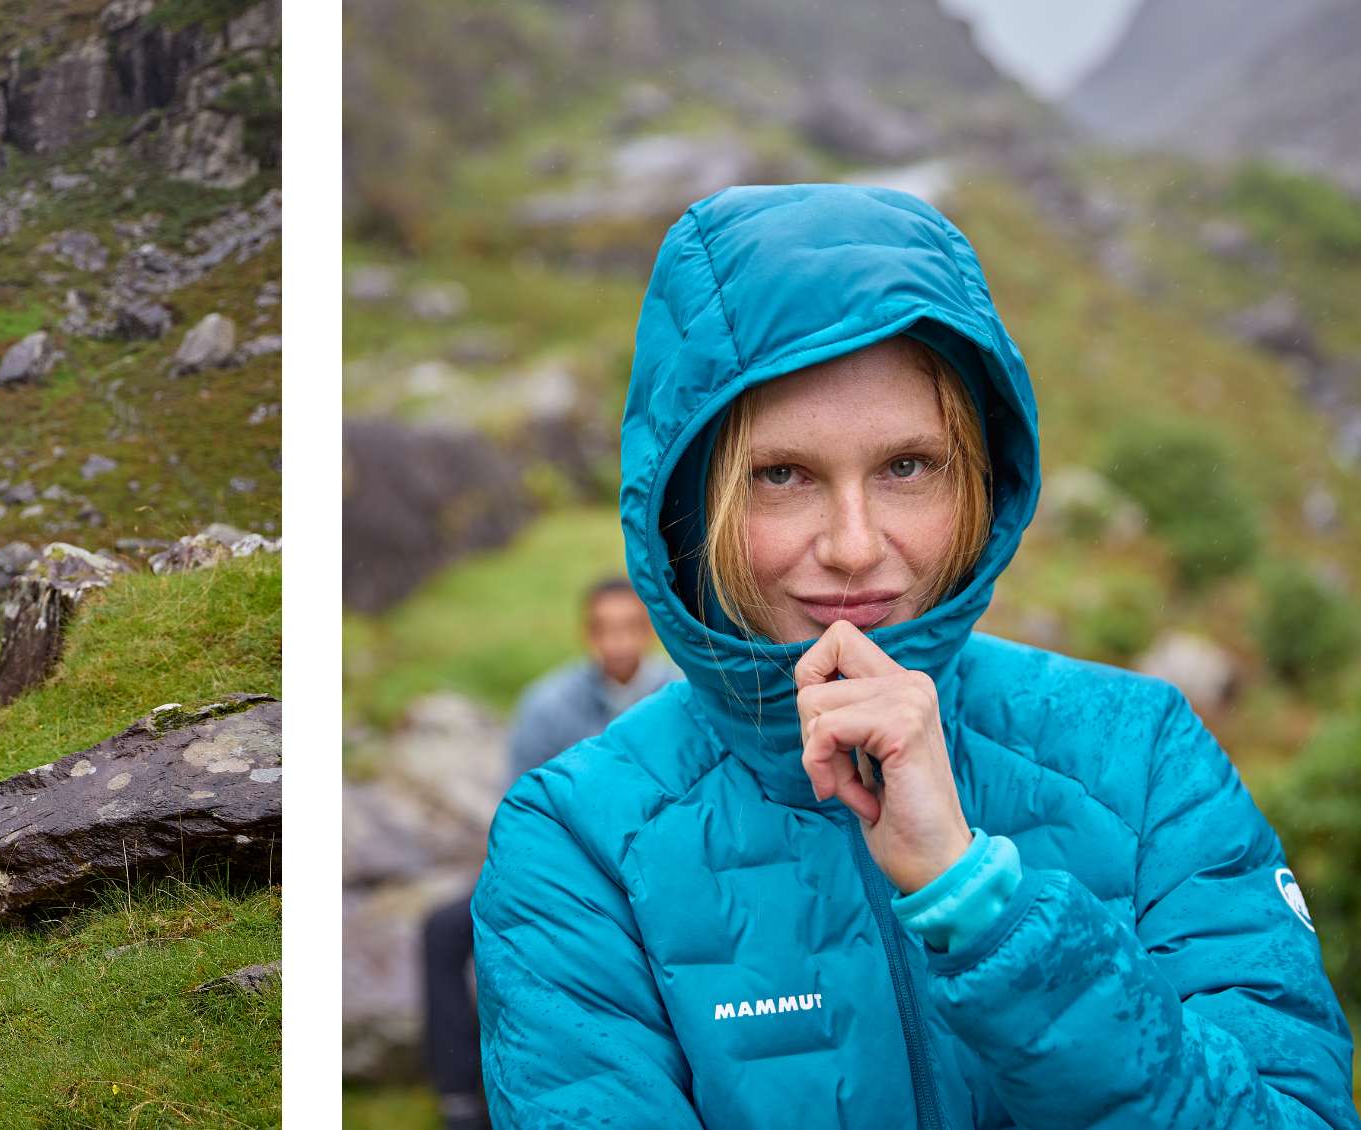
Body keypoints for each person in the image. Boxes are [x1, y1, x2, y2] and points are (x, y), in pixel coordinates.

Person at [473, 183, 1356, 1128]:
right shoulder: (576, 843)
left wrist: (978, 904)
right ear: (693, 504)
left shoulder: (1140, 757)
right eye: (782, 475)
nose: (854, 545)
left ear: (977, 477)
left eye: (906, 466)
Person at [423, 577, 679, 1130]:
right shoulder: (547, 705)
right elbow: (519, 817)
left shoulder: (681, 696)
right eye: (604, 630)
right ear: (587, 634)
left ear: (649, 629)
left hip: (662, 878)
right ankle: (460, 1096)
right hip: (561, 875)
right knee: (443, 929)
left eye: (630, 628)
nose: (618, 643)